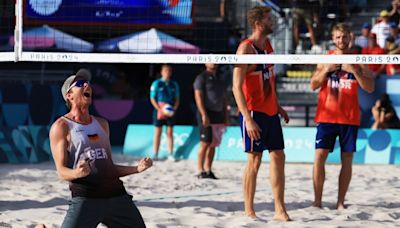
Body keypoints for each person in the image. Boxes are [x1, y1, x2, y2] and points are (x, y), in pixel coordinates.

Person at [49, 73, 153, 227]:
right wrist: (77, 173)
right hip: (86, 197)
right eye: (80, 84)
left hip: (116, 196)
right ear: (69, 96)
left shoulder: (102, 124)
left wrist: (137, 169)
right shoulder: (61, 126)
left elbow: (108, 168)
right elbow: (61, 172)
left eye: (88, 83)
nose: (87, 85)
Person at [232, 6, 290, 221]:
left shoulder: (267, 45)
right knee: (254, 161)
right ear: (258, 24)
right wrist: (247, 119)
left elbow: (269, 79)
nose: (272, 22)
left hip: (270, 110)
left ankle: (280, 210)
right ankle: (249, 210)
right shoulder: (245, 50)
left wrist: (279, 106)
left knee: (278, 156)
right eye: (269, 19)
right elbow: (236, 87)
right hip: (253, 113)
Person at [310, 23, 374, 210]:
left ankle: (340, 202)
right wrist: (326, 71)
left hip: (349, 117)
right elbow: (313, 85)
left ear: (350, 37)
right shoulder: (326, 59)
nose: (341, 40)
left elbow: (370, 87)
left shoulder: (359, 60)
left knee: (347, 159)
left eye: (344, 36)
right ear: (333, 39)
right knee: (319, 156)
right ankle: (317, 201)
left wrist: (354, 71)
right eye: (338, 37)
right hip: (326, 116)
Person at [193, 63, 227, 179]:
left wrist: (225, 116)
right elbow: (198, 96)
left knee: (213, 144)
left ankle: (208, 170)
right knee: (205, 142)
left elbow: (224, 99)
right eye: (210, 60)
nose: (213, 62)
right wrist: (203, 114)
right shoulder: (201, 77)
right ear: (205, 62)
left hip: (218, 114)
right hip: (206, 112)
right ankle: (199, 170)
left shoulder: (220, 79)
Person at [150, 64, 180, 161]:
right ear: (162, 72)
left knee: (169, 133)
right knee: (157, 132)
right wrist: (159, 109)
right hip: (159, 109)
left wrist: (174, 109)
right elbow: (152, 98)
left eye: (169, 70)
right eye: (165, 70)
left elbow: (177, 99)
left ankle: (170, 154)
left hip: (170, 109)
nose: (167, 72)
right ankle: (155, 154)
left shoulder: (174, 84)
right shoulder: (156, 83)